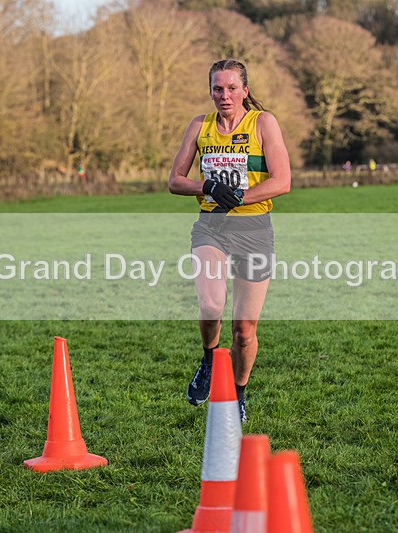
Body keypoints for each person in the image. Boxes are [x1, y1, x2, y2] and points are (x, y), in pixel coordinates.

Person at [168, 59, 291, 423]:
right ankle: (208, 360)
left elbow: (282, 181)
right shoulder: (199, 126)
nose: (225, 95)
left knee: (244, 330)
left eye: (232, 88)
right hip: (212, 227)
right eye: (218, 89)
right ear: (210, 91)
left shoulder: (263, 123)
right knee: (211, 306)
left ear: (245, 91)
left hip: (254, 230)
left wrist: (238, 196)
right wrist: (207, 186)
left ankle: (237, 392)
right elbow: (175, 180)